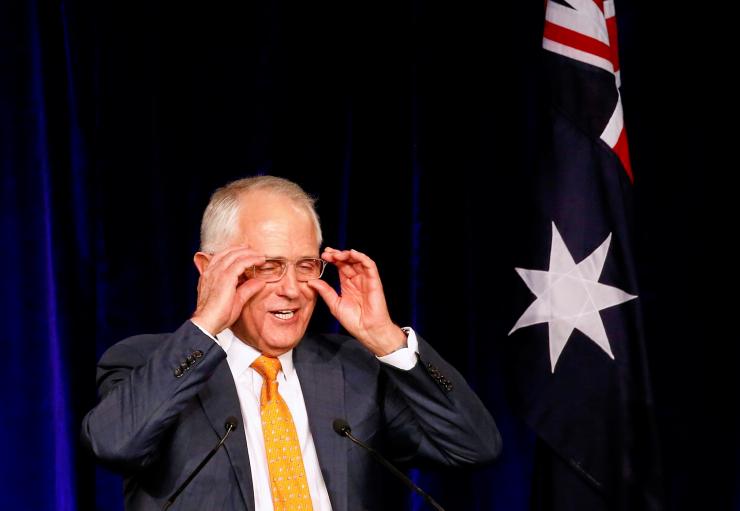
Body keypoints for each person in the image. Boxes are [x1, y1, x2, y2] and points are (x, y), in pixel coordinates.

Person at [81, 175, 501, 511]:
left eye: (306, 266)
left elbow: (473, 446)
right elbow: (115, 444)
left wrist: (387, 339)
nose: (293, 289)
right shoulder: (145, 362)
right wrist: (207, 320)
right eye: (269, 266)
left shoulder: (352, 370)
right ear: (210, 269)